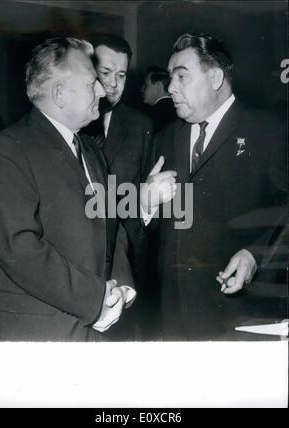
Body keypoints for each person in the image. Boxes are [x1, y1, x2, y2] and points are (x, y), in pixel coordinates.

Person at [141, 33, 287, 341]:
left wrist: (254, 255)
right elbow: (146, 233)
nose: (170, 88)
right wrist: (146, 204)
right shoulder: (165, 138)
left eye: (182, 77)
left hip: (241, 316)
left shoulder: (269, 132)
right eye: (170, 78)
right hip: (174, 317)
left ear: (216, 78)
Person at [0, 37, 136, 342]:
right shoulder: (10, 149)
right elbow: (20, 248)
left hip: (97, 328)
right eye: (92, 83)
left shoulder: (91, 150)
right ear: (59, 94)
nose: (102, 90)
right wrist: (96, 300)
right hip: (43, 332)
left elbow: (113, 225)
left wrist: (122, 288)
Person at [83, 35, 154, 338]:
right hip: (77, 271)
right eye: (105, 72)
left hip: (127, 272)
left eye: (121, 75)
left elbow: (149, 198)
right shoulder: (71, 121)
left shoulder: (141, 126)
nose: (113, 84)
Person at [141, 66, 177, 132]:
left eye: (146, 85)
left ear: (158, 86)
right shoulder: (178, 110)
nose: (142, 89)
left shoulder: (150, 115)